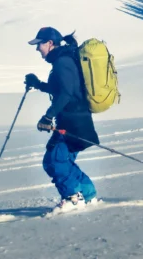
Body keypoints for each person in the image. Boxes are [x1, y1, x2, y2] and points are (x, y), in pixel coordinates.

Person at [25, 26, 99, 213]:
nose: (37, 49)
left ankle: (73, 198)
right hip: (74, 120)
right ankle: (88, 195)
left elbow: (66, 94)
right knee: (57, 160)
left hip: (73, 122)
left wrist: (48, 116)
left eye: (39, 44)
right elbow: (62, 89)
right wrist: (39, 84)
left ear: (50, 43)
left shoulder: (63, 62)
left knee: (55, 161)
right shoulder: (62, 61)